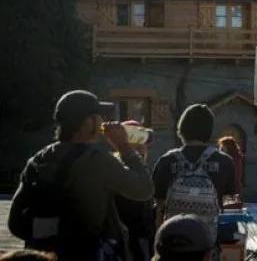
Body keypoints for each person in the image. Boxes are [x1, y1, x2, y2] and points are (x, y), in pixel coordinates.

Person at [8, 90, 154, 261]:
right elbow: (144, 189)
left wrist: (48, 238)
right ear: (88, 122)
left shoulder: (38, 160)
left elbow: (15, 224)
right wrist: (123, 146)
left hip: (43, 254)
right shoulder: (97, 161)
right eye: (98, 116)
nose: (102, 121)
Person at [152, 105, 237, 250]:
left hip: (171, 245)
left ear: (181, 130)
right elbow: (228, 199)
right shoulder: (225, 162)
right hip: (206, 245)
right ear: (209, 131)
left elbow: (158, 204)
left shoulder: (166, 160)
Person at [116, 122, 157, 261]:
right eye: (136, 143)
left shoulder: (146, 171)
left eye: (143, 143)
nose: (141, 148)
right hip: (125, 241)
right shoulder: (114, 168)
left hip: (144, 239)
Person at [216, 137, 243, 208]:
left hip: (230, 190)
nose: (220, 148)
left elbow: (234, 176)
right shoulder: (235, 158)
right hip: (232, 189)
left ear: (228, 147)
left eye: (222, 146)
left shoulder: (231, 159)